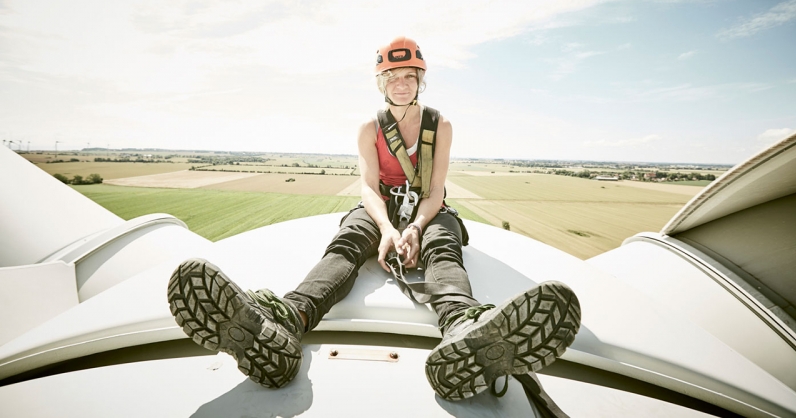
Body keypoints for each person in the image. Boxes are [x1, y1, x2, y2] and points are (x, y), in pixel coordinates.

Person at [167, 36, 581, 401]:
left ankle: (462, 327)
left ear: (421, 80)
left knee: (442, 246)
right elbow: (368, 187)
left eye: (409, 76)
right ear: (382, 83)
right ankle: (286, 320)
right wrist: (385, 230)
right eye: (393, 77)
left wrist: (416, 227)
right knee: (348, 244)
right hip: (380, 206)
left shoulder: (440, 124)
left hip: (426, 209)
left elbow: (436, 190)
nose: (401, 83)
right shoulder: (370, 127)